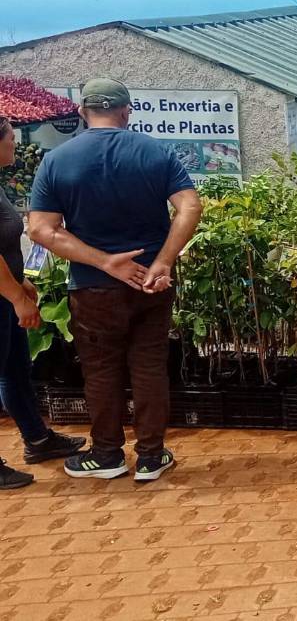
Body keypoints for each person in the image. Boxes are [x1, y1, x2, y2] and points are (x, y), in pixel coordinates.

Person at [27, 78, 202, 482]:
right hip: (150, 286)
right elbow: (190, 205)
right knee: (149, 367)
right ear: (126, 111)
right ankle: (152, 457)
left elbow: (41, 230)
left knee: (101, 371)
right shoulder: (155, 152)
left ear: (81, 112)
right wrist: (162, 261)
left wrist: (106, 262)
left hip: (92, 287)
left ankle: (107, 455)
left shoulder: (57, 160)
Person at [0, 119, 86, 489]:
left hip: (6, 293)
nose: (15, 147)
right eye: (11, 139)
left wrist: (20, 281)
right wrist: (18, 298)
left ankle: (37, 438)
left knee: (15, 369)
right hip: (3, 297)